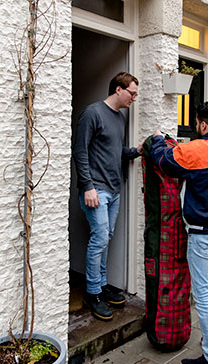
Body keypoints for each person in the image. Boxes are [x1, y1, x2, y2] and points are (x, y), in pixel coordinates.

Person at [149, 102, 208, 364]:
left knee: (203, 296)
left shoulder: (194, 149)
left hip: (203, 235)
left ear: (202, 124)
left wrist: (157, 139)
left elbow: (163, 161)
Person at [73, 72, 143, 321]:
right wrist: (87, 186)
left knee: (105, 238)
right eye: (132, 93)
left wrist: (136, 151)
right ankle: (92, 293)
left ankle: (101, 285)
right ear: (118, 89)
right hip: (96, 189)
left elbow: (114, 151)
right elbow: (80, 151)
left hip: (114, 190)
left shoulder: (119, 118)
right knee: (100, 237)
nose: (134, 98)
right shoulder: (92, 113)